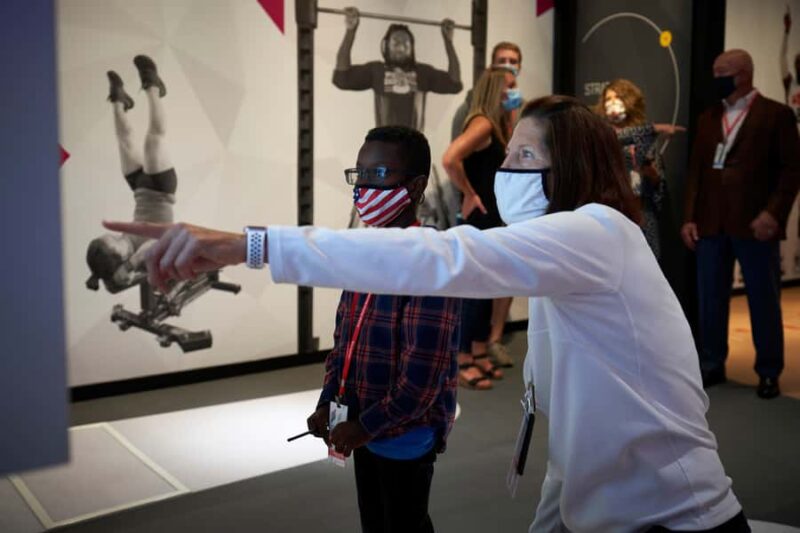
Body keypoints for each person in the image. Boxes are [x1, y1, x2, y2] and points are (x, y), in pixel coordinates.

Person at [108, 94, 749, 532]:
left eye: (523, 157)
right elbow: (575, 445)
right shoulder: (563, 261)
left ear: (572, 166)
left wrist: (243, 245)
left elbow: (441, 258)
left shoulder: (597, 234)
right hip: (605, 515)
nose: (504, 170)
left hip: (674, 517)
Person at [301, 126, 460, 533]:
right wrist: (327, 401)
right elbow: (344, 343)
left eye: (379, 174)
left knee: (405, 523)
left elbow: (423, 379)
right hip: (361, 426)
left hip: (403, 435)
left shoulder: (429, 263)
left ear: (417, 185)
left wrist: (364, 426)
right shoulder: (364, 252)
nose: (365, 187)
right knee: (374, 522)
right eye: (361, 175)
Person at [682, 49, 800, 399]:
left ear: (744, 73)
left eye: (723, 71)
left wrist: (773, 214)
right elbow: (696, 173)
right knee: (711, 299)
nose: (716, 77)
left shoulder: (775, 115)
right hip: (711, 224)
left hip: (755, 224)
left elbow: (791, 172)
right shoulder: (708, 117)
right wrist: (690, 216)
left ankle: (768, 370)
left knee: (763, 299)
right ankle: (712, 363)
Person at [442, 67, 519, 389]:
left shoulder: (496, 124)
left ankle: (476, 351)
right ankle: (461, 361)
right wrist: (469, 193)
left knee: (485, 288)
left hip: (491, 219)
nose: (514, 93)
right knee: (473, 291)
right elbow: (450, 159)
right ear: (496, 90)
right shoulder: (483, 123)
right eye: (509, 88)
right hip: (480, 218)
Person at [86, 55, 176, 293]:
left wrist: (112, 271)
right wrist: (130, 266)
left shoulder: (116, 256)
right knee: (152, 141)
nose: (119, 238)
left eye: (111, 237)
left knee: (124, 140)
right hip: (160, 191)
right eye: (116, 243)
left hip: (140, 190)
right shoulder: (141, 256)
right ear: (121, 258)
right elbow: (157, 245)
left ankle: (118, 100)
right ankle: (154, 86)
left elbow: (109, 283)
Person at [332, 7, 462, 132]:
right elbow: (343, 77)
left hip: (414, 148)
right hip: (385, 148)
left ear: (412, 48)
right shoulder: (377, 71)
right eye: (395, 42)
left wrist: (448, 41)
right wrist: (351, 31)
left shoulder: (422, 73)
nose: (400, 46)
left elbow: (454, 83)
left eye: (405, 42)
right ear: (386, 46)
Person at [597, 78, 685, 261]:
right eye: (608, 99)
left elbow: (658, 184)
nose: (612, 103)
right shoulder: (601, 135)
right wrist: (654, 128)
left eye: (618, 97)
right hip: (612, 214)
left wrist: (651, 175)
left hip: (643, 213)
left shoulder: (646, 140)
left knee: (646, 268)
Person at [782, 6, 800, 123]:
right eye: (798, 62)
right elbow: (782, 57)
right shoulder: (790, 83)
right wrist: (786, 32)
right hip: (792, 131)